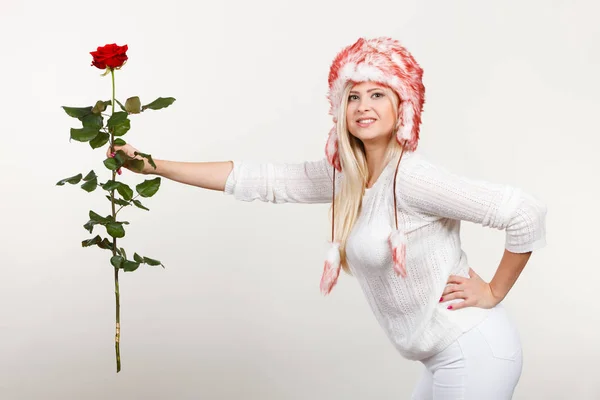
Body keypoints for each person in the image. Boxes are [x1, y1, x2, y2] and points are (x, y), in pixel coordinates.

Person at [110, 37, 547, 399]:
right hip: (439, 354)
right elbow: (261, 179)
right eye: (352, 96)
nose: (362, 105)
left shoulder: (413, 178)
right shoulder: (349, 178)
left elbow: (524, 212)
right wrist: (153, 165)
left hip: (471, 348)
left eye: (377, 93)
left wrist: (492, 290)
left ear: (403, 106)